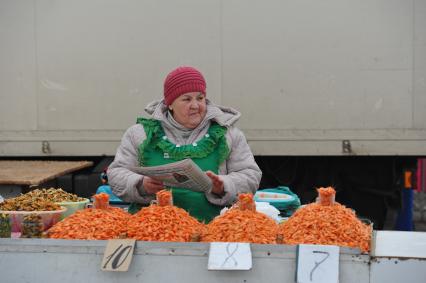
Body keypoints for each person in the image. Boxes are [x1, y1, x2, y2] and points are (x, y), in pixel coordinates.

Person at [107, 66, 262, 222]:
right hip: (150, 231)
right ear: (170, 103)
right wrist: (141, 184)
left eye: (200, 98)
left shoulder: (228, 135)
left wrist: (223, 186)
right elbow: (116, 173)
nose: (195, 105)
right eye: (187, 99)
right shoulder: (139, 134)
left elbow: (250, 176)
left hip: (211, 230)